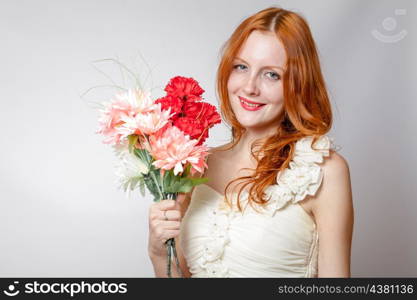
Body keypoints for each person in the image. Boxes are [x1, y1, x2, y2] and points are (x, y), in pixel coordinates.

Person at [148, 6, 354, 278]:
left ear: (298, 84)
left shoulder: (324, 171)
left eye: (272, 74)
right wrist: (159, 253)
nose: (249, 87)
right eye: (241, 67)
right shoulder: (196, 165)